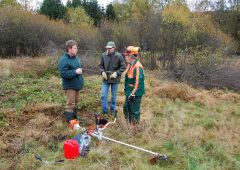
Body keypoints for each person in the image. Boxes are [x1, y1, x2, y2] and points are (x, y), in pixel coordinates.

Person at [58, 40, 84, 123]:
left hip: (77, 85)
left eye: (76, 48)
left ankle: (75, 119)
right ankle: (70, 122)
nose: (77, 49)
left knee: (76, 103)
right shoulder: (64, 60)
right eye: (75, 48)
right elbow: (63, 74)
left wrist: (78, 72)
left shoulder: (76, 58)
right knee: (70, 104)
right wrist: (75, 72)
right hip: (70, 86)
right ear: (69, 49)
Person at [99, 41, 126, 117]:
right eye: (107, 48)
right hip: (106, 79)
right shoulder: (103, 55)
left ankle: (112, 111)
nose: (108, 49)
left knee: (113, 96)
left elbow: (123, 67)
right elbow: (100, 66)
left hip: (115, 80)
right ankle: (104, 112)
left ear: (114, 48)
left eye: (110, 48)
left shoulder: (119, 56)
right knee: (103, 95)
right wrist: (102, 72)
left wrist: (116, 73)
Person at [123, 46, 145, 128]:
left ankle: (135, 128)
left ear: (131, 56)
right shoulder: (130, 64)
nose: (125, 57)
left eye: (126, 55)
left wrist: (133, 94)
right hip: (129, 91)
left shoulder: (137, 66)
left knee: (134, 111)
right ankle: (129, 125)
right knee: (126, 108)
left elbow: (138, 82)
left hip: (135, 93)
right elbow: (128, 78)